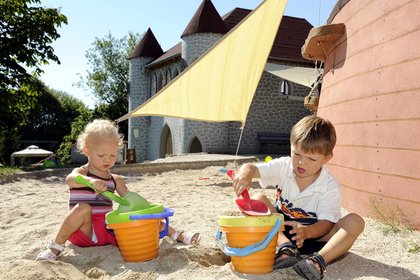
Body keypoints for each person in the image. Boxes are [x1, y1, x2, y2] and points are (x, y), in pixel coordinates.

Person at [36, 119, 199, 262]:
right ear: (87, 151)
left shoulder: (115, 180)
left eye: (113, 155)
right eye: (101, 156)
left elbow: (132, 201)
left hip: (107, 229)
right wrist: (91, 182)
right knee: (83, 207)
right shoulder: (82, 173)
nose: (108, 160)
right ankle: (55, 247)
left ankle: (178, 234)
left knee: (143, 217)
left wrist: (149, 209)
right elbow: (70, 179)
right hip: (82, 230)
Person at [232, 115, 365, 279]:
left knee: (355, 222)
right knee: (257, 198)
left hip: (316, 236)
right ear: (291, 146)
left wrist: (307, 232)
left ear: (327, 158)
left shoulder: (329, 185)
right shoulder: (283, 167)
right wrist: (246, 174)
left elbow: (327, 223)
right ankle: (285, 248)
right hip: (279, 230)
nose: (301, 163)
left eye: (311, 158)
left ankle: (318, 261)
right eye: (297, 154)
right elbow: (252, 167)